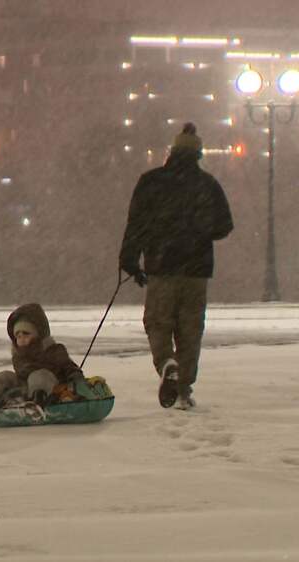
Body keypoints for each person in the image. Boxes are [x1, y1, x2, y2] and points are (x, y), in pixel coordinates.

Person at [119, 122, 234, 410]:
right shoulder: (208, 185)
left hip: (161, 265)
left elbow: (136, 224)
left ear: (171, 152)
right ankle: (183, 390)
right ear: (198, 155)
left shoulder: (151, 182)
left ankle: (166, 363)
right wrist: (198, 232)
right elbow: (225, 226)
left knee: (157, 322)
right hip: (196, 269)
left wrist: (129, 259)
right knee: (190, 329)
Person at [0, 303, 84, 423]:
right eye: (18, 336)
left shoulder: (53, 350)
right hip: (25, 387)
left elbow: (69, 367)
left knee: (39, 375)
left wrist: (76, 378)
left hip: (52, 387)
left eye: (26, 334)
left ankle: (37, 404)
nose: (22, 339)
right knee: (4, 377)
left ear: (38, 335)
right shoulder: (19, 355)